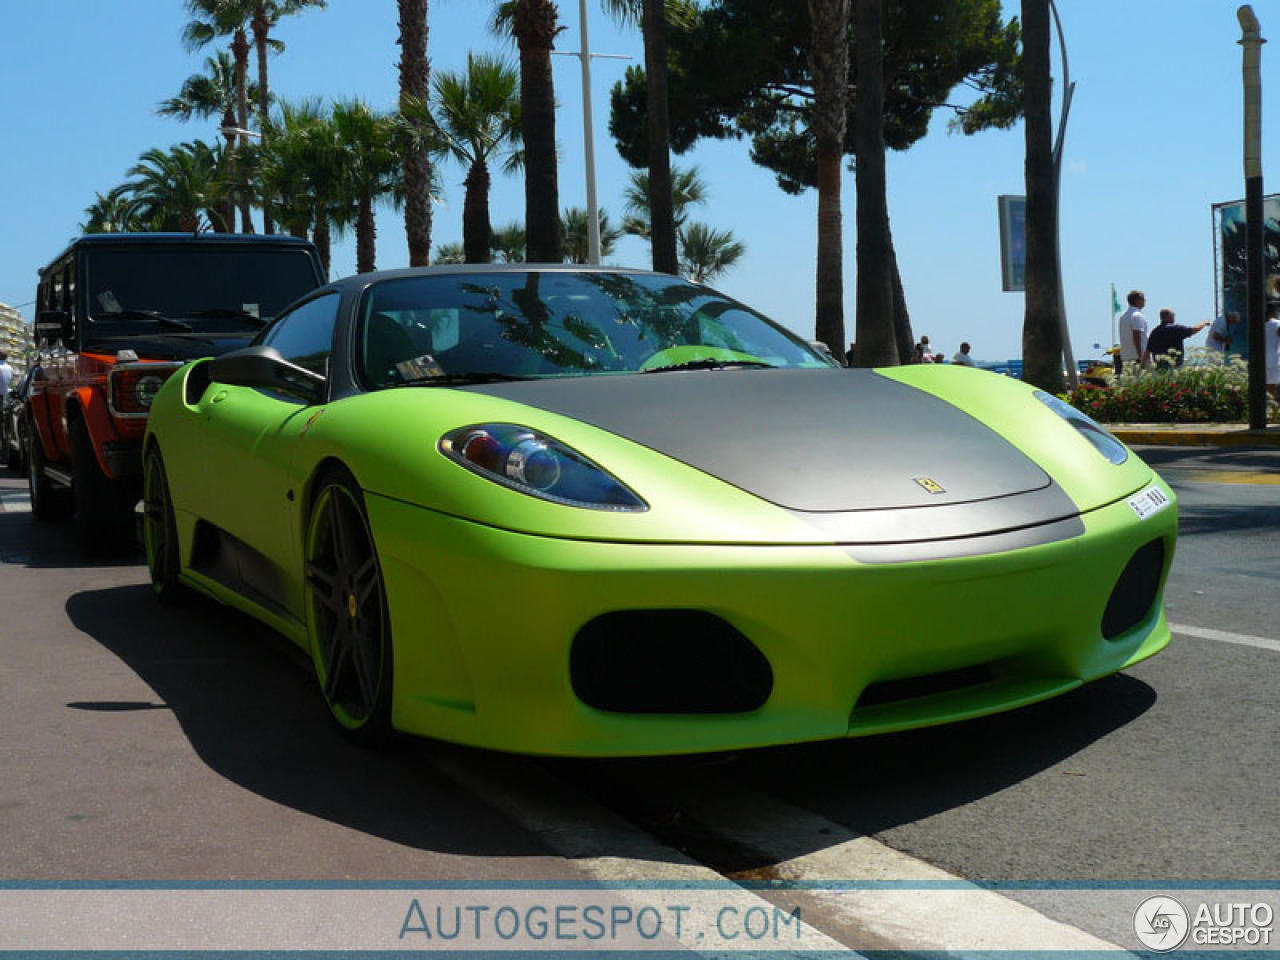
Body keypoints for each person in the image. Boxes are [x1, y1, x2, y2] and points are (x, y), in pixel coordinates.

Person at [1116, 290, 1150, 368]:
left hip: (1126, 356)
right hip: (1137, 357)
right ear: (1137, 300)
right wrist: (1141, 356)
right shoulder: (1137, 315)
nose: (1145, 301)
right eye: (1143, 299)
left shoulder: (1123, 316)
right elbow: (1136, 335)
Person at [1266, 304, 1280, 402]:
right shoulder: (1277, 324)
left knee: (1266, 386)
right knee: (1274, 387)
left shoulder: (1258, 324)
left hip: (1262, 358)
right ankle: (1273, 410)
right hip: (1275, 358)